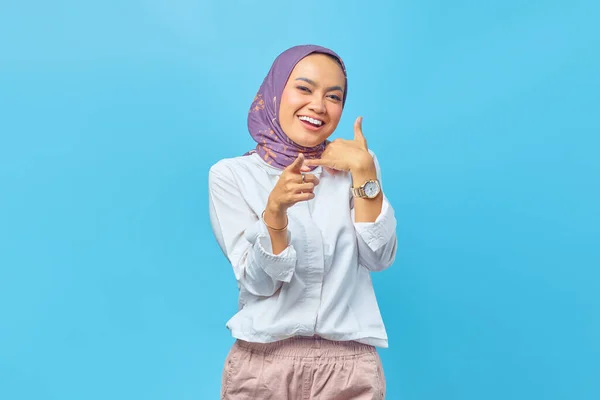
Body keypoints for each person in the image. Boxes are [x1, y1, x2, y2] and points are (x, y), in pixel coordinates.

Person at [208, 44, 397, 399]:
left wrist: (364, 172)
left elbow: (379, 257)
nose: (318, 106)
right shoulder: (232, 175)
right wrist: (275, 214)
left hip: (349, 365)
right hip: (263, 363)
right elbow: (260, 285)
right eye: (304, 88)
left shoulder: (358, 164)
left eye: (333, 96)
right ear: (276, 91)